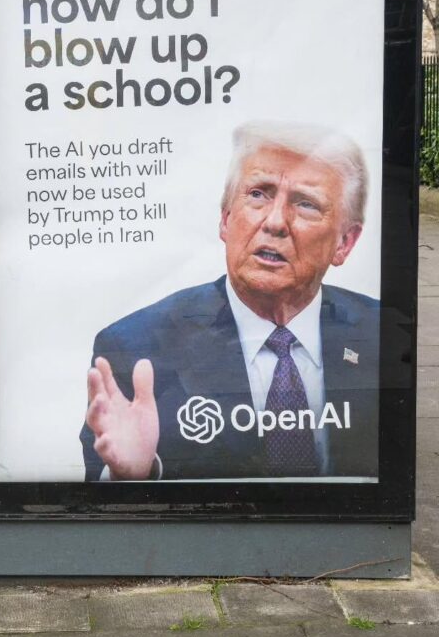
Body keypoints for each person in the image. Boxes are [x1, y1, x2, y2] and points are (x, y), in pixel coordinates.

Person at [80, 121, 380, 482]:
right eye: (258, 194)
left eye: (306, 203)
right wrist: (135, 477)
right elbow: (102, 511)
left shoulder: (380, 334)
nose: (275, 222)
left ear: (345, 242)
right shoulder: (137, 347)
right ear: (225, 218)